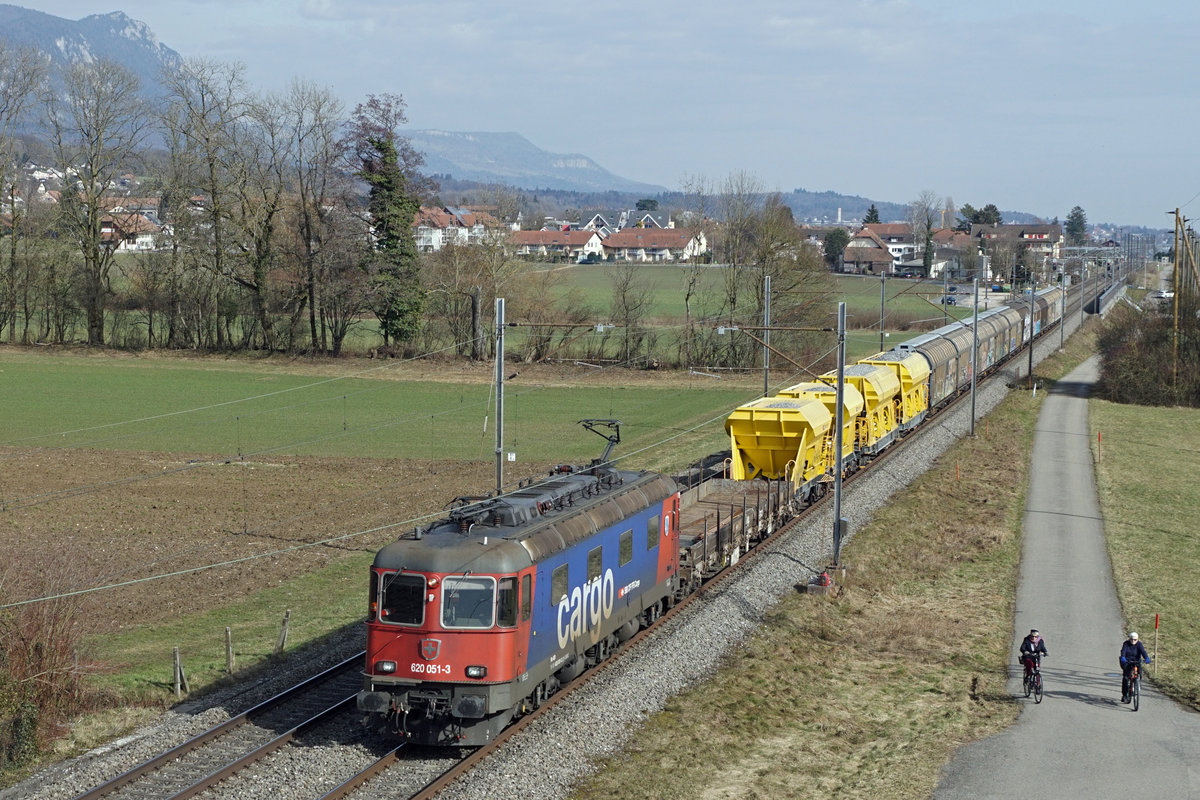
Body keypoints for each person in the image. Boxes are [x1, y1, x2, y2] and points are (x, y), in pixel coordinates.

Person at [1120, 631, 1151, 703]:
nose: (1133, 641)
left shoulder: (1139, 644)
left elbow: (1143, 652)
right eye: (1131, 639)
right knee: (1125, 678)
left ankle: (1136, 685)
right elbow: (1123, 651)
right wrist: (1123, 657)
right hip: (1128, 662)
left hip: (1136, 662)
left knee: (1139, 675)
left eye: (1135, 640)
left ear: (1137, 639)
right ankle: (1125, 695)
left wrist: (1146, 658)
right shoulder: (1126, 644)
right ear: (1129, 639)